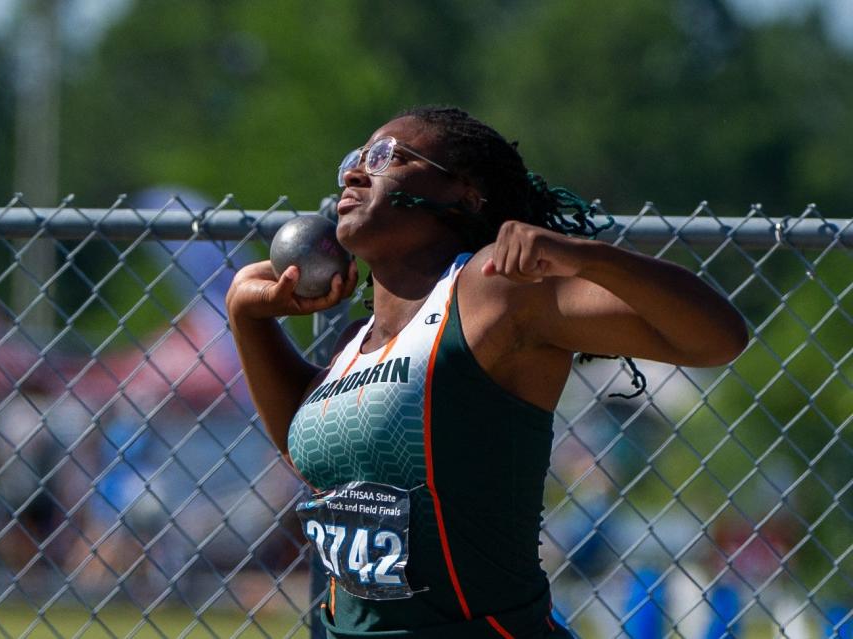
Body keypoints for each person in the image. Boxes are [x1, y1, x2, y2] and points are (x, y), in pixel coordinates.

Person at [226, 106, 747, 638]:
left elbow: (718, 337)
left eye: (388, 157)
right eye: (354, 161)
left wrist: (589, 259)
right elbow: (320, 459)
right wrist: (247, 318)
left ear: (465, 196)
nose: (356, 173)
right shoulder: (352, 344)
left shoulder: (493, 293)